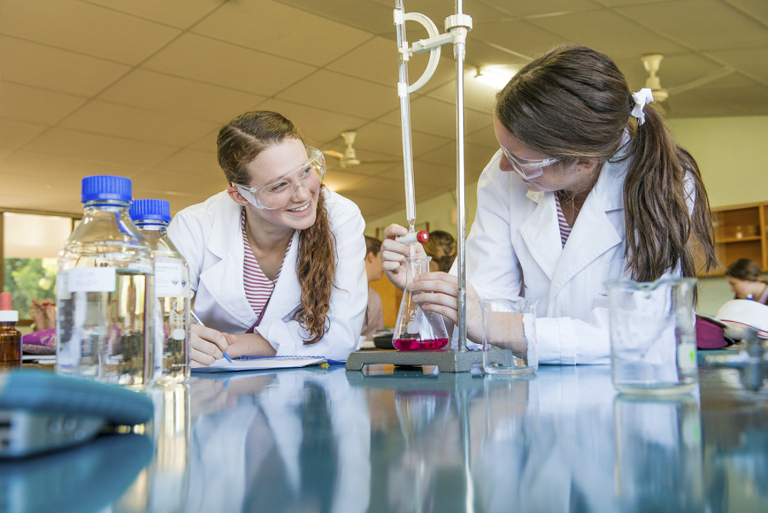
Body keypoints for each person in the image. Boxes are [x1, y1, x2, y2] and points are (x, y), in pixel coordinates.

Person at [381, 45, 717, 364]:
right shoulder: (503, 177)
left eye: (522, 159)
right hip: (530, 393)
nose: (503, 166)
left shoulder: (664, 181)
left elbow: (639, 330)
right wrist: (427, 287)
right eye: (503, 149)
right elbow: (479, 309)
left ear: (584, 162)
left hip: (628, 399)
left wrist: (499, 326)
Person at [168, 111, 368, 365]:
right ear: (241, 197)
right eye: (279, 186)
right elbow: (152, 320)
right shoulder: (194, 225)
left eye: (306, 171)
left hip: (301, 392)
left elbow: (341, 338)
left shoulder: (341, 216)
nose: (304, 194)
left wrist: (231, 345)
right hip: (216, 391)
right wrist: (175, 337)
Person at [361, 236, 385, 338]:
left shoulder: (375, 297)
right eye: (382, 258)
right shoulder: (340, 292)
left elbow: (380, 334)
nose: (384, 265)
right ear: (371, 257)